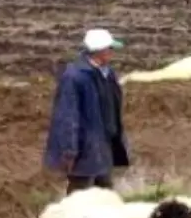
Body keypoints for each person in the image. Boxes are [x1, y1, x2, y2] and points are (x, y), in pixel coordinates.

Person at [43, 28, 131, 195]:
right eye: (110, 49)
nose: (112, 52)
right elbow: (67, 116)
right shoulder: (75, 77)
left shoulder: (107, 74)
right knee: (79, 193)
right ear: (99, 51)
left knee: (104, 192)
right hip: (84, 147)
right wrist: (69, 150)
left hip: (104, 143)